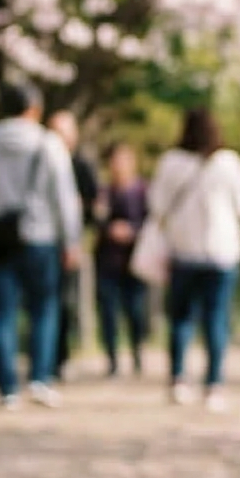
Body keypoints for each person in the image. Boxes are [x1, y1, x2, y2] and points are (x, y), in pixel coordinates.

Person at [0, 81, 83, 409]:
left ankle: (6, 387)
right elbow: (64, 197)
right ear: (33, 110)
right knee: (43, 309)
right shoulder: (49, 144)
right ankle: (40, 378)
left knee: (1, 313)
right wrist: (71, 240)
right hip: (40, 238)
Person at [150, 107, 240, 411]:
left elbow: (157, 205)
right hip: (221, 252)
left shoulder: (171, 162)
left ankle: (178, 380)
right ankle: (213, 384)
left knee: (181, 318)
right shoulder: (228, 162)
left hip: (183, 250)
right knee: (215, 319)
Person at [46, 109, 99, 379]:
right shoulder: (40, 159)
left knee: (64, 302)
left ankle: (60, 357)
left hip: (71, 243)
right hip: (42, 240)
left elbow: (96, 204)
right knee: (42, 303)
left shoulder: (81, 165)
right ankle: (43, 360)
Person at [94, 142, 151, 375]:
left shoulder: (143, 191)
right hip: (108, 261)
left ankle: (137, 351)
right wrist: (109, 228)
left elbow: (152, 221)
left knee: (135, 311)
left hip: (135, 261)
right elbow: (96, 220)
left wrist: (133, 231)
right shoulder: (105, 192)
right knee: (108, 312)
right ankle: (112, 359)